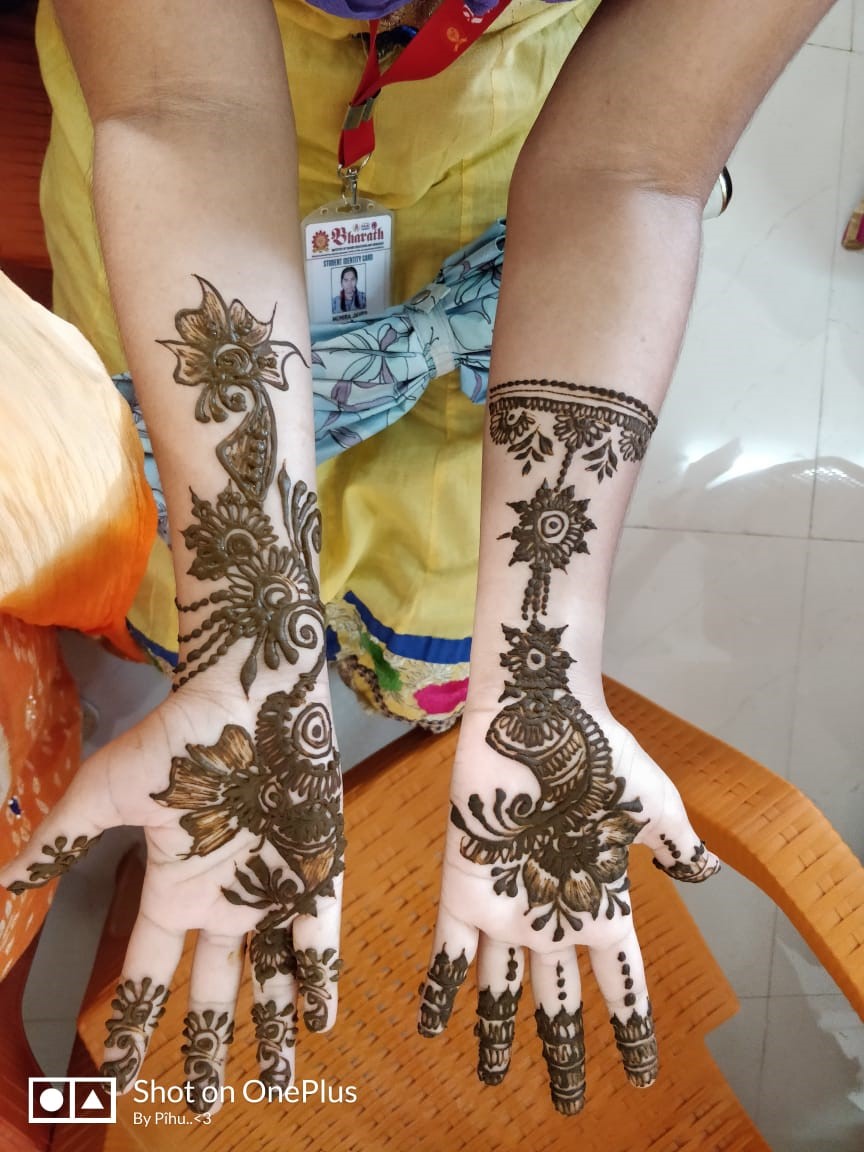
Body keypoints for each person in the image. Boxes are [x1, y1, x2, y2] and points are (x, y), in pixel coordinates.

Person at [0, 0, 837, 1119]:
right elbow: (181, 107)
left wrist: (541, 668)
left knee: (425, 598)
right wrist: (249, 646)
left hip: (523, 223)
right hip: (183, 196)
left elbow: (627, 169)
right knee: (167, 603)